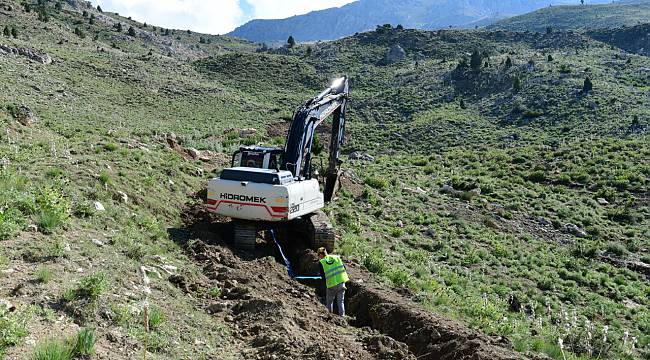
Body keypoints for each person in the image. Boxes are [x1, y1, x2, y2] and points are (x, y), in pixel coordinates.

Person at [317, 247, 349, 316]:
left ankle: (330, 317)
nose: (319, 257)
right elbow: (344, 268)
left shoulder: (322, 262)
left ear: (320, 254)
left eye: (318, 255)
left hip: (331, 285)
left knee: (329, 302)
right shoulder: (336, 257)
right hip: (341, 283)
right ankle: (342, 318)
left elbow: (323, 276)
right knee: (341, 302)